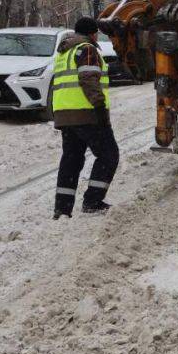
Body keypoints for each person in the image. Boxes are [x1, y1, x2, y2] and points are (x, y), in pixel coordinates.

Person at [51, 16, 118, 219]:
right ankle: (93, 201)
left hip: (65, 115)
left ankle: (62, 208)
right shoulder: (87, 49)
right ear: (92, 33)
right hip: (87, 113)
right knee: (108, 155)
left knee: (71, 160)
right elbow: (88, 79)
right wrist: (99, 107)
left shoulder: (64, 51)